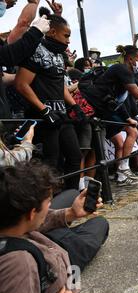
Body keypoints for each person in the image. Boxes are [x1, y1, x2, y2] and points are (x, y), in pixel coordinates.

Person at [0, 161, 109, 293]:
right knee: (100, 223)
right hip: (61, 261)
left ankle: (65, 227)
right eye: (48, 202)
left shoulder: (13, 219)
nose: (50, 204)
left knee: (72, 194)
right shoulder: (19, 264)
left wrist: (71, 213)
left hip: (39, 238)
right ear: (32, 213)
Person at [78, 45, 138, 185]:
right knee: (87, 150)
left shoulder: (128, 74)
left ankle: (91, 183)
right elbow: (137, 94)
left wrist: (129, 118)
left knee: (96, 150)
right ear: (131, 59)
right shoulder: (121, 69)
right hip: (91, 108)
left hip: (103, 110)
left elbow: (120, 102)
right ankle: (86, 184)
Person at [15, 11, 83, 191]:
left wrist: (75, 106)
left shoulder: (60, 56)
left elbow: (59, 84)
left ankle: (70, 200)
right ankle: (46, 210)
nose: (68, 41)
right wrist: (44, 110)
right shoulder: (35, 51)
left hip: (61, 115)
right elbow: (21, 84)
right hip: (43, 118)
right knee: (50, 163)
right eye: (66, 35)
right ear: (52, 32)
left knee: (75, 156)